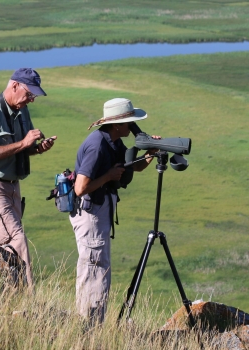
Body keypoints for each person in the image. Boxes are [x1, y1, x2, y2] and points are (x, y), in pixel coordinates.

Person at [70, 97, 161, 325]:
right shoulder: (97, 145)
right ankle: (89, 328)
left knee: (99, 268)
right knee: (94, 268)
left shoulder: (112, 142)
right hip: (90, 214)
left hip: (99, 212)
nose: (132, 126)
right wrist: (108, 176)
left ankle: (92, 325)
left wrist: (151, 152)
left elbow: (134, 167)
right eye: (129, 122)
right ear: (117, 124)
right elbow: (80, 188)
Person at [0, 68, 56, 289]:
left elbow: (23, 149)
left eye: (34, 96)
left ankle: (4, 293)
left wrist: (38, 149)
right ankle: (29, 300)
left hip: (13, 187)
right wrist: (24, 143)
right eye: (29, 94)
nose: (31, 100)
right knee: (16, 241)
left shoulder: (22, 111)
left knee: (5, 246)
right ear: (14, 85)